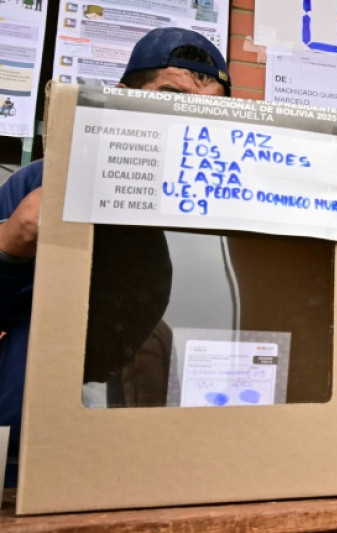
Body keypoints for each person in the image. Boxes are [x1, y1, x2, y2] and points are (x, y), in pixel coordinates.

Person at [0, 27, 231, 488]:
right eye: (170, 96)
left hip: (154, 444)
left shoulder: (235, 204)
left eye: (211, 108)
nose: (188, 119)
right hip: (26, 444)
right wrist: (9, 245)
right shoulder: (39, 184)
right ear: (124, 98)